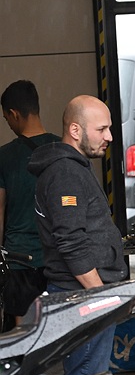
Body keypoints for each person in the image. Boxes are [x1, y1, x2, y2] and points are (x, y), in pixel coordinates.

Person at [28, 95, 127, 375]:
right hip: (82, 296)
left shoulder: (74, 168)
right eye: (101, 129)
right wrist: (102, 297)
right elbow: (70, 241)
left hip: (84, 294)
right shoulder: (65, 173)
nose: (109, 137)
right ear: (75, 130)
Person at [0, 80, 60, 325]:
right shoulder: (62, 148)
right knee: (58, 326)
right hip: (58, 258)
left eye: (6, 119)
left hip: (19, 258)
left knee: (23, 334)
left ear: (14, 114)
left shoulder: (4, 156)